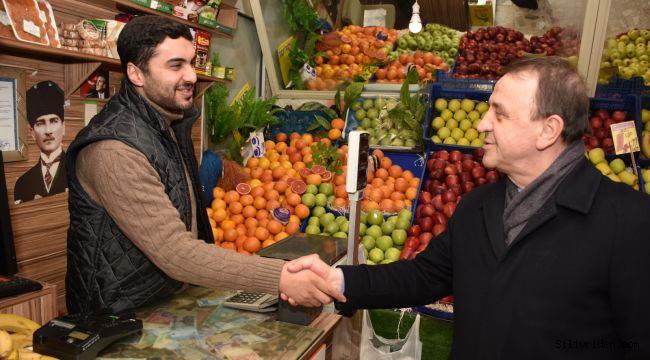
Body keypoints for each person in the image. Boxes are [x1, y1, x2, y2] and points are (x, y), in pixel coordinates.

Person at [285, 57, 650, 359]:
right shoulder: (478, 206)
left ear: (548, 130)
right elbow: (422, 277)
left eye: (499, 113)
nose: (481, 124)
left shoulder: (629, 223)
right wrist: (338, 279)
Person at [65, 15, 341, 315]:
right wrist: (280, 277)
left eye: (191, 62)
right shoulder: (114, 151)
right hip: (115, 319)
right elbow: (176, 252)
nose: (192, 76)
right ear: (136, 74)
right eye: (175, 65)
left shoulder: (163, 123)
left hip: (160, 304)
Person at [14, 81, 68, 204]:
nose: (48, 131)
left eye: (54, 121)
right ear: (32, 132)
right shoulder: (23, 183)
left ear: (63, 127)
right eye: (40, 123)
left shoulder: (78, 172)